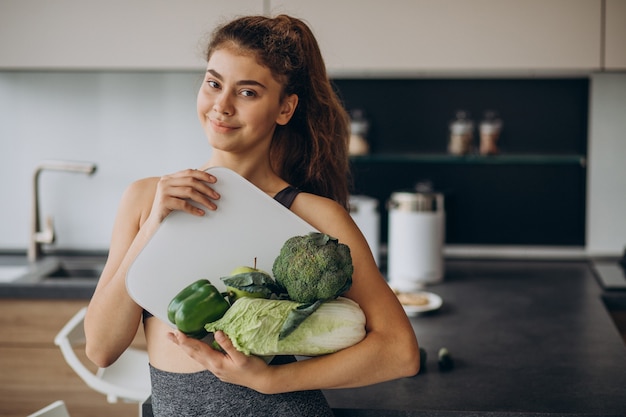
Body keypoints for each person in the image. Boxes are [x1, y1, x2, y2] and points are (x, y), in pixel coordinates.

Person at [84, 14, 420, 416]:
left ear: (284, 108)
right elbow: (102, 349)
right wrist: (156, 222)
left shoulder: (316, 218)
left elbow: (400, 352)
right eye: (213, 83)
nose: (221, 106)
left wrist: (272, 380)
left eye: (247, 92)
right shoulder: (146, 200)